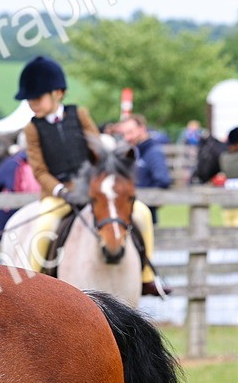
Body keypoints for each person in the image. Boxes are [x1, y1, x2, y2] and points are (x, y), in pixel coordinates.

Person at [16, 56, 167, 297]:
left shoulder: (80, 115)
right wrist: (62, 191)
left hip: (92, 189)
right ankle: (32, 290)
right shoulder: (32, 128)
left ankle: (147, 278)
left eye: (37, 97)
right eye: (29, 99)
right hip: (59, 194)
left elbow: (98, 150)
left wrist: (99, 182)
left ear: (58, 93)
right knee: (43, 227)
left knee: (142, 213)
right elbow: (40, 171)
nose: (32, 103)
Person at [117, 114, 172, 221]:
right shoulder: (135, 151)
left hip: (144, 215)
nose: (127, 137)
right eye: (124, 134)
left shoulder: (153, 152)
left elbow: (163, 180)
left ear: (142, 128)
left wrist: (147, 198)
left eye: (130, 132)